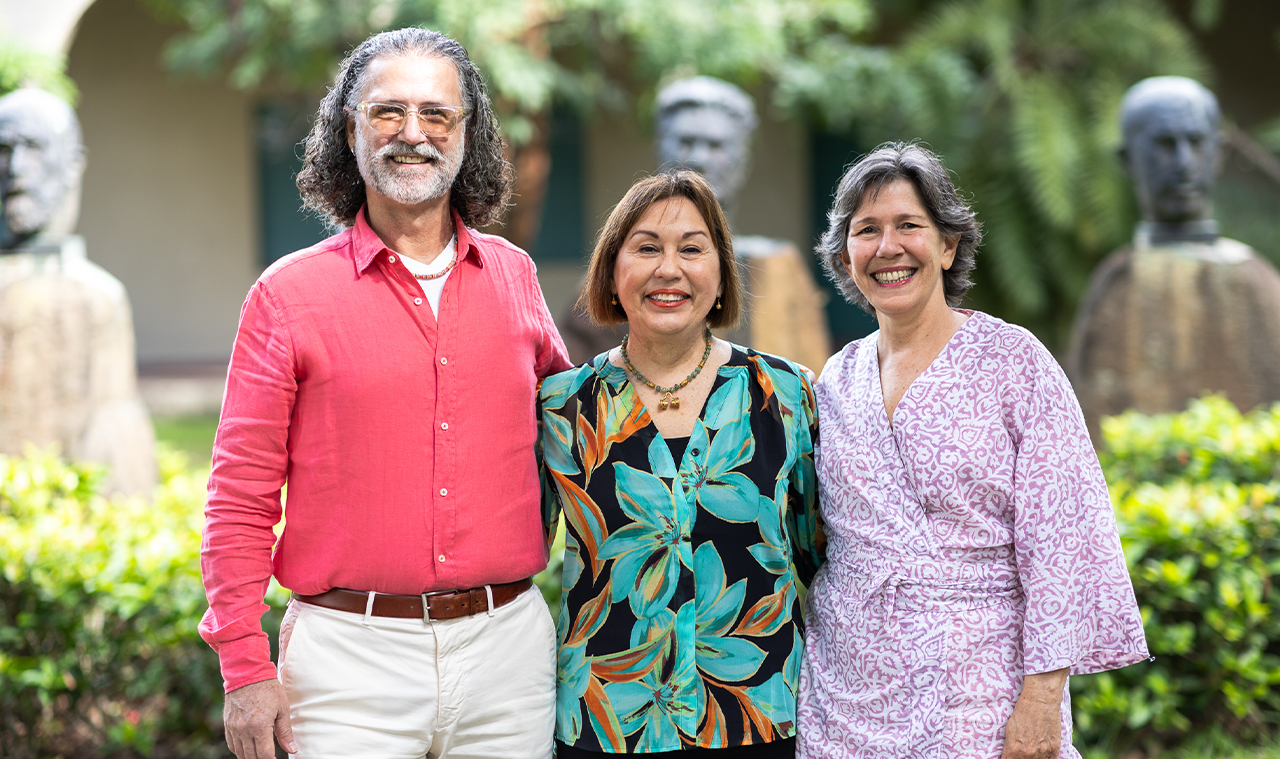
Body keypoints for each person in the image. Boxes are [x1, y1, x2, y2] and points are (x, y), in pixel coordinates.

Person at [198, 28, 570, 759]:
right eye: (386, 112)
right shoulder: (288, 294)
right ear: (349, 127)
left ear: (469, 132)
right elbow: (239, 494)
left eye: (437, 114)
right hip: (345, 666)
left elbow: (583, 428)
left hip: (508, 654)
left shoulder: (514, 276)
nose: (412, 133)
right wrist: (245, 666)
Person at [797, 143, 1148, 758]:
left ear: (949, 244)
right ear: (845, 252)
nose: (888, 248)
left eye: (910, 226)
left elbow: (1063, 538)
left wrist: (1042, 700)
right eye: (866, 230)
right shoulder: (835, 377)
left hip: (981, 687)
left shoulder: (1013, 362)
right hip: (845, 690)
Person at [540, 170, 824, 757]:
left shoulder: (786, 395)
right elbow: (519, 547)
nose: (669, 269)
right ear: (612, 275)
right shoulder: (562, 406)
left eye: (692, 249)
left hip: (755, 717)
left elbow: (817, 552)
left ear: (720, 274)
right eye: (646, 248)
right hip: (606, 721)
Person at [557, 77, 831, 373]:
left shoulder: (777, 266)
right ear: (660, 148)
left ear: (743, 160)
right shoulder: (613, 278)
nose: (699, 158)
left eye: (716, 145)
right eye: (686, 142)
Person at [1067, 76, 1280, 442]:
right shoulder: (1114, 285)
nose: (1183, 164)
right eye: (1164, 145)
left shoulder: (1255, 279)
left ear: (1220, 152)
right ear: (1128, 159)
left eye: (1196, 143)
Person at [0, 87, 155, 495]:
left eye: (33, 148)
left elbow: (118, 441)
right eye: (4, 150)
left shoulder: (99, 296)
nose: (16, 169)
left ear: (73, 165)